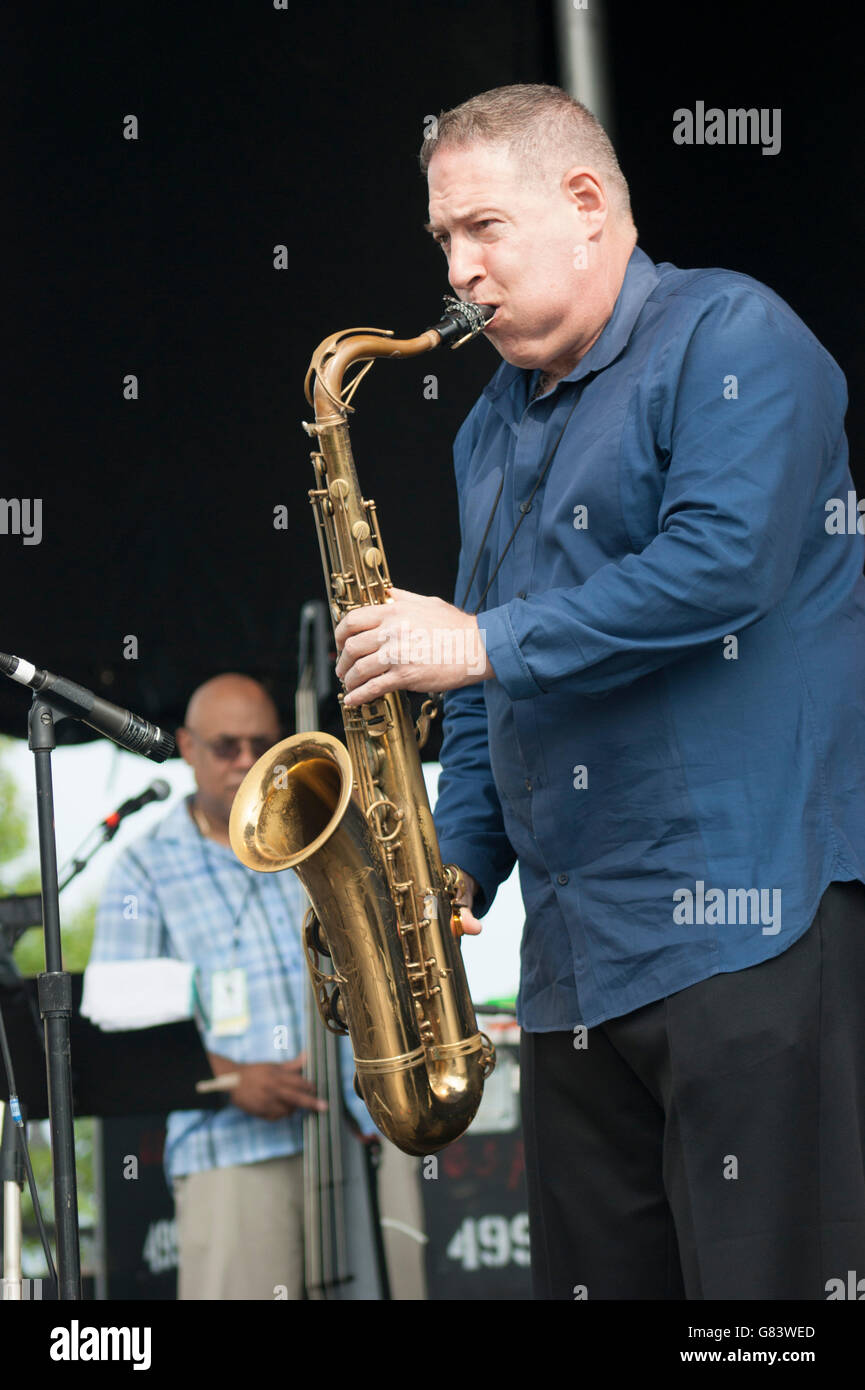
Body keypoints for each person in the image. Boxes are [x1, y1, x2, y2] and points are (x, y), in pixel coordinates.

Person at [332, 84, 865, 1300]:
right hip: (577, 962)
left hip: (747, 924)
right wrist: (454, 859)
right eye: (442, 244)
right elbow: (482, 689)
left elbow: (719, 565)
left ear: (585, 203)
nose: (459, 273)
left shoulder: (734, 334)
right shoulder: (486, 430)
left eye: (480, 231)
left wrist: (477, 644)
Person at [90, 673, 365, 1300]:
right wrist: (229, 1078)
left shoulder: (312, 832)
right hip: (229, 1151)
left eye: (261, 744)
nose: (246, 761)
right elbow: (117, 1028)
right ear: (186, 746)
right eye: (225, 747)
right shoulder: (145, 863)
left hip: (361, 1133)